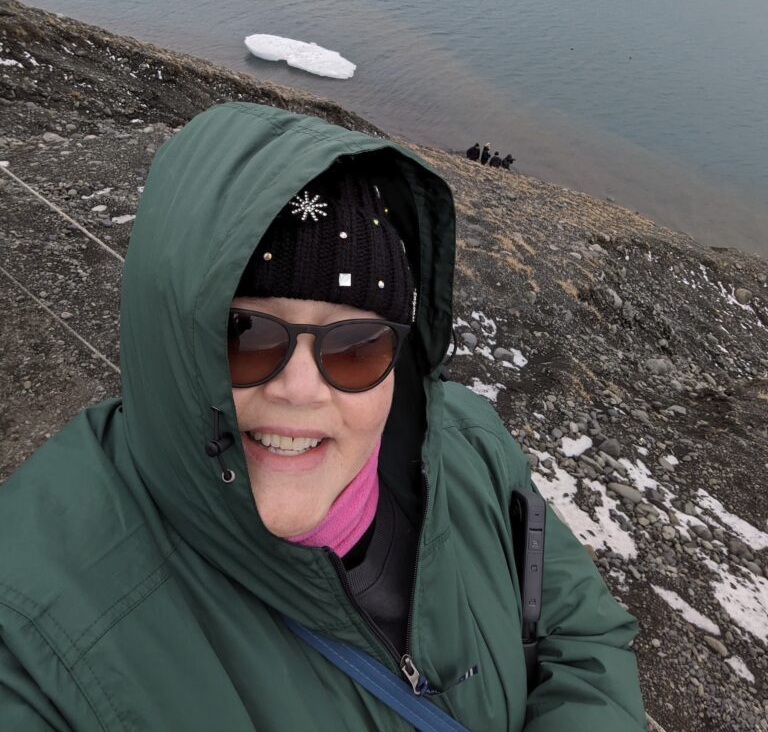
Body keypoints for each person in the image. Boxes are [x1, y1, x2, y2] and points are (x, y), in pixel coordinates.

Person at [0, 102, 646, 731]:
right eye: (244, 334)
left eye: (357, 346)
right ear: (173, 334)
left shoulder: (469, 444)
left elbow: (582, 633)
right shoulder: (32, 627)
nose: (301, 389)